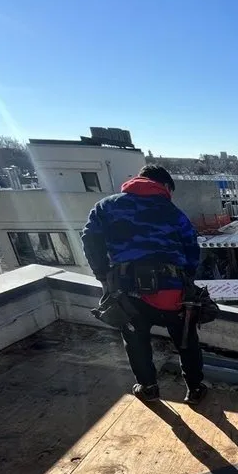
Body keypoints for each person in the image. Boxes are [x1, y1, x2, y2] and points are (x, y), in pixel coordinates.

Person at [82, 164, 206, 404]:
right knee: (186, 339)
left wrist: (103, 275)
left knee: (136, 341)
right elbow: (192, 249)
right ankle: (195, 389)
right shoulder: (173, 212)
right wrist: (185, 279)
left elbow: (90, 239)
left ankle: (148, 388)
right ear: (165, 186)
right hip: (172, 291)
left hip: (128, 290)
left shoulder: (106, 207)